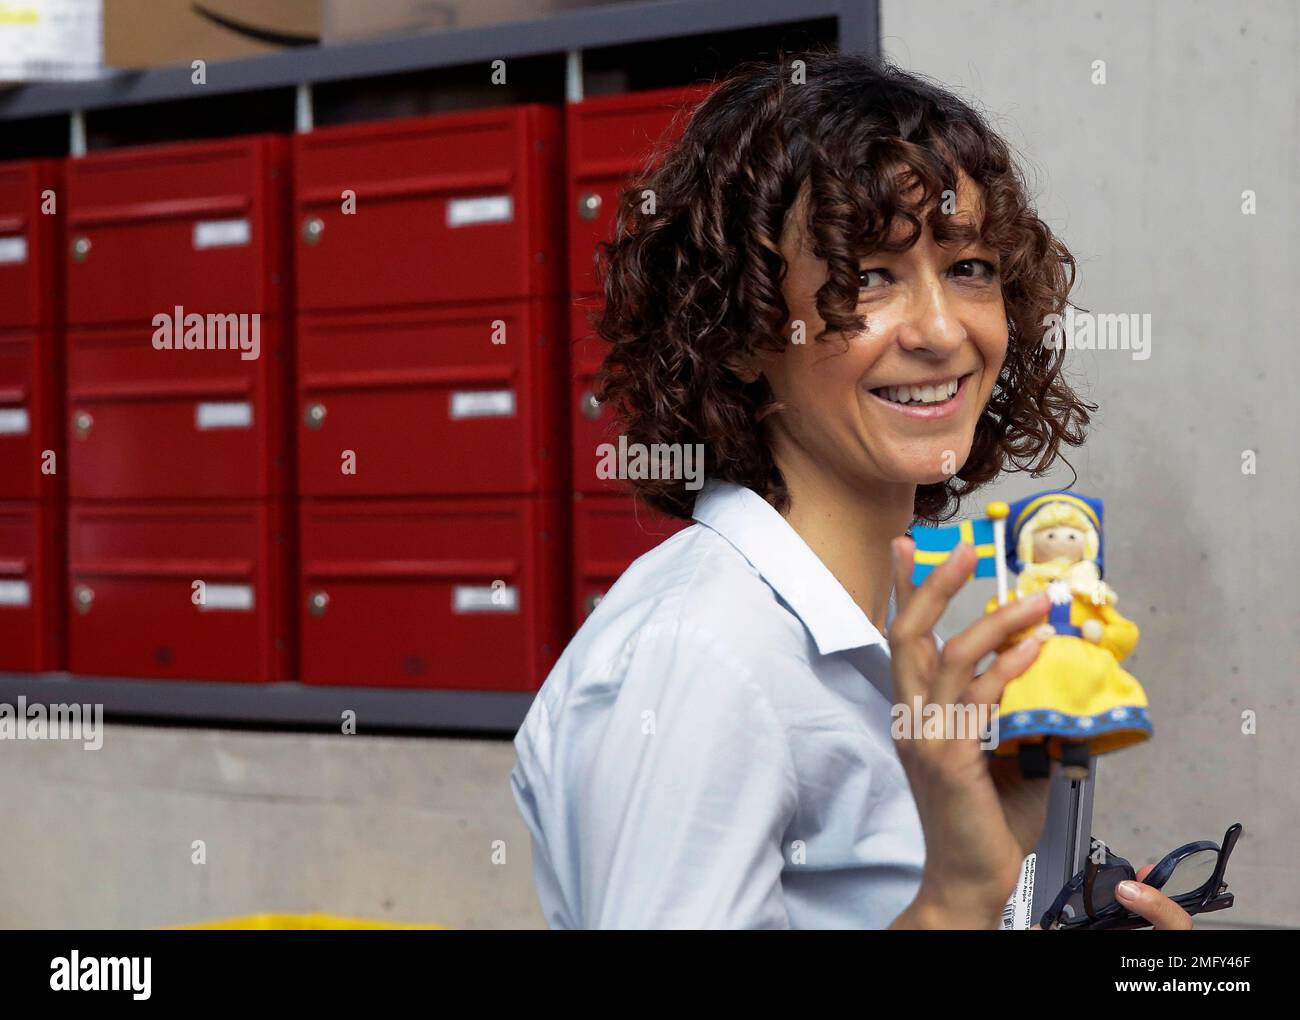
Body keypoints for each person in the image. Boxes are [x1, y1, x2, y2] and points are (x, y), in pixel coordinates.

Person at [510, 49, 1192, 929]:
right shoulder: (702, 657)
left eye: (969, 267)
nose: (942, 331)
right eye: (868, 277)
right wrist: (949, 905)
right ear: (744, 331)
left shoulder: (884, 636)